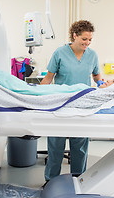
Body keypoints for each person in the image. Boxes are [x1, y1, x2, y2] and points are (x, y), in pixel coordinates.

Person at [39, 20, 100, 184]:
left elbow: (96, 77)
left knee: (80, 147)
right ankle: (50, 180)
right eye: (84, 39)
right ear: (75, 35)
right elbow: (48, 78)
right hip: (61, 104)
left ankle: (78, 179)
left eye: (90, 40)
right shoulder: (60, 53)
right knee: (55, 146)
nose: (87, 43)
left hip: (82, 104)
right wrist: (36, 95)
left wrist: (103, 86)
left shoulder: (92, 55)